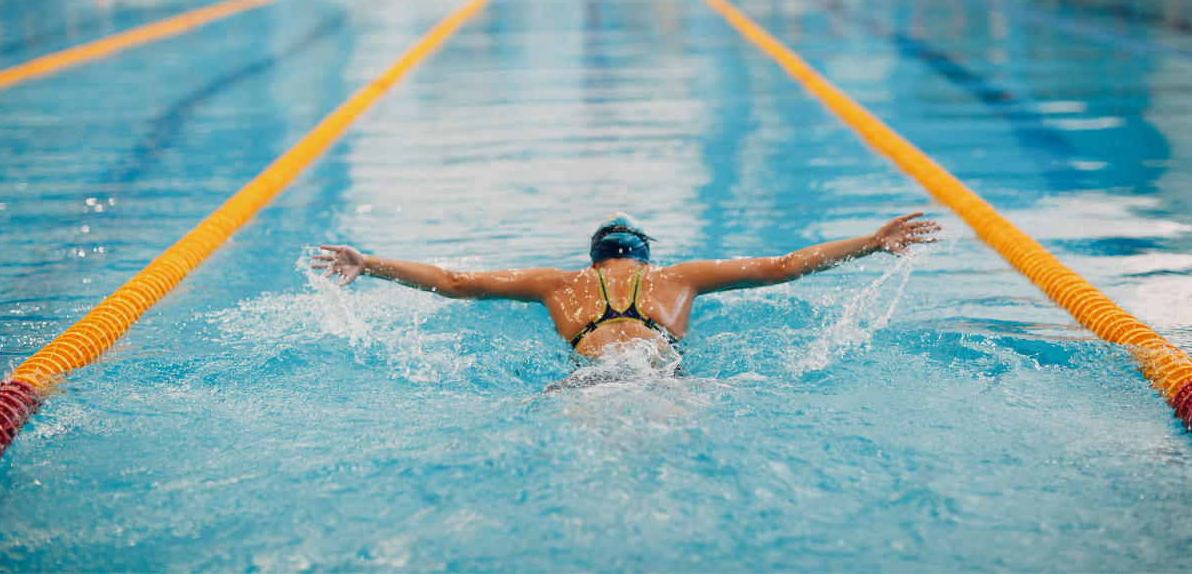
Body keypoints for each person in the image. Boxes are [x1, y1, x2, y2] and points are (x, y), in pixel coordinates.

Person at [314, 212, 940, 362]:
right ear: (643, 257)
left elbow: (454, 282)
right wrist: (870, 241)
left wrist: (368, 262)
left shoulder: (558, 284)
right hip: (658, 368)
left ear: (594, 258)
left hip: (586, 376)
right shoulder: (675, 278)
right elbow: (782, 265)